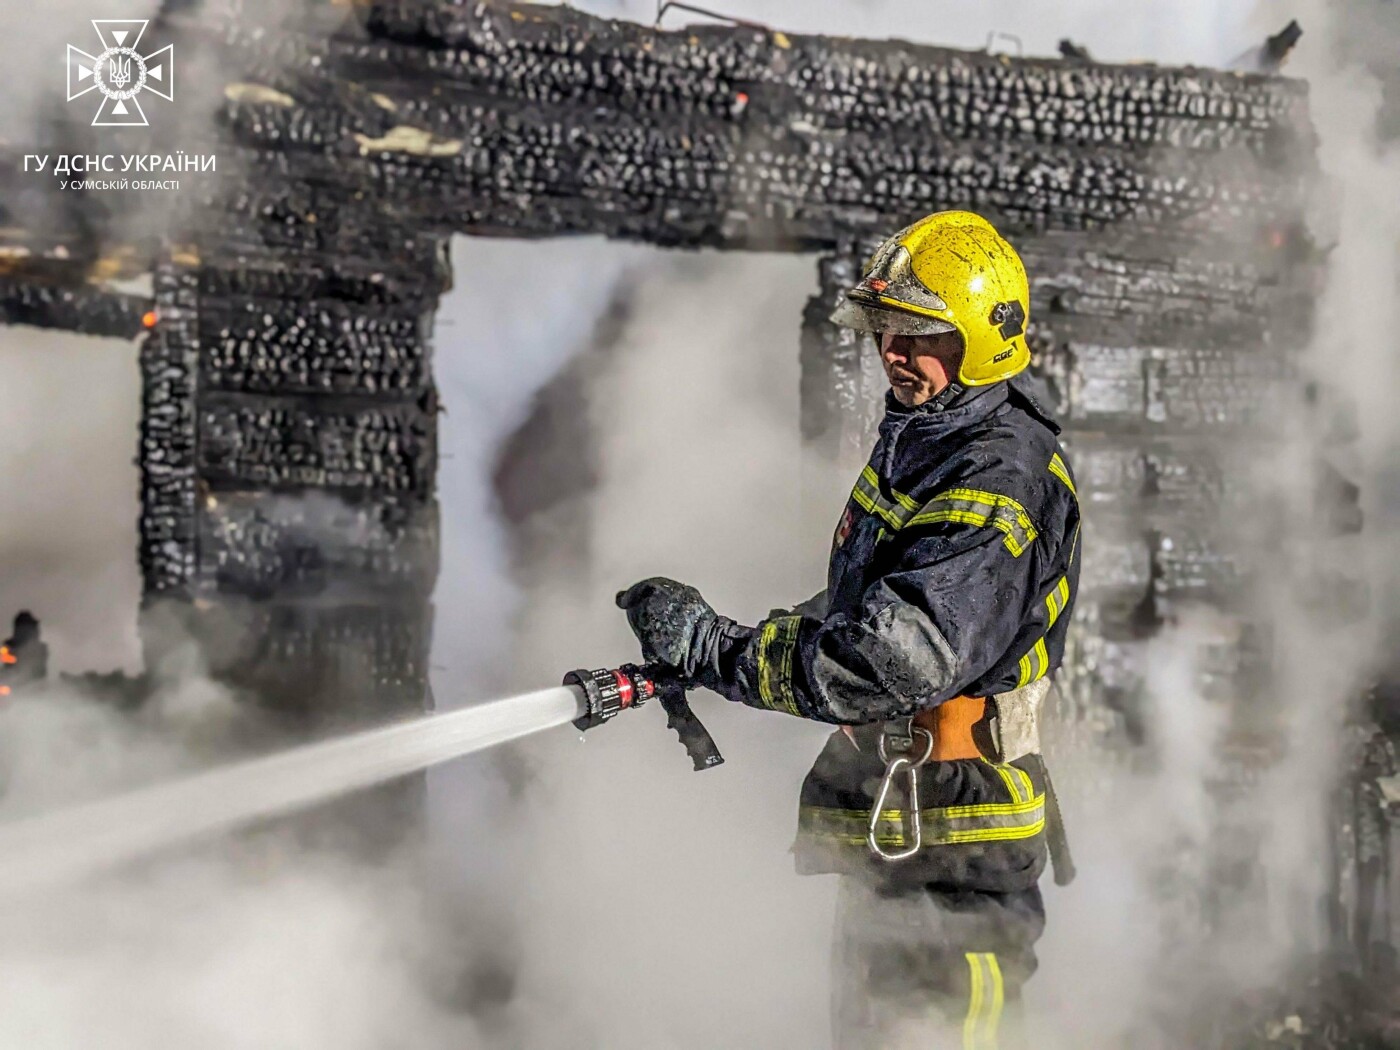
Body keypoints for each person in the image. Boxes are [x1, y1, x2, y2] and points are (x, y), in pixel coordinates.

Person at [616, 211, 1081, 1048]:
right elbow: (867, 604)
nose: (892, 352)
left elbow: (895, 658)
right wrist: (709, 655)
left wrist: (720, 650)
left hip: (957, 855)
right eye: (884, 330)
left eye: (918, 332)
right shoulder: (931, 436)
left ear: (983, 335)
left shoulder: (999, 479)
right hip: (905, 835)